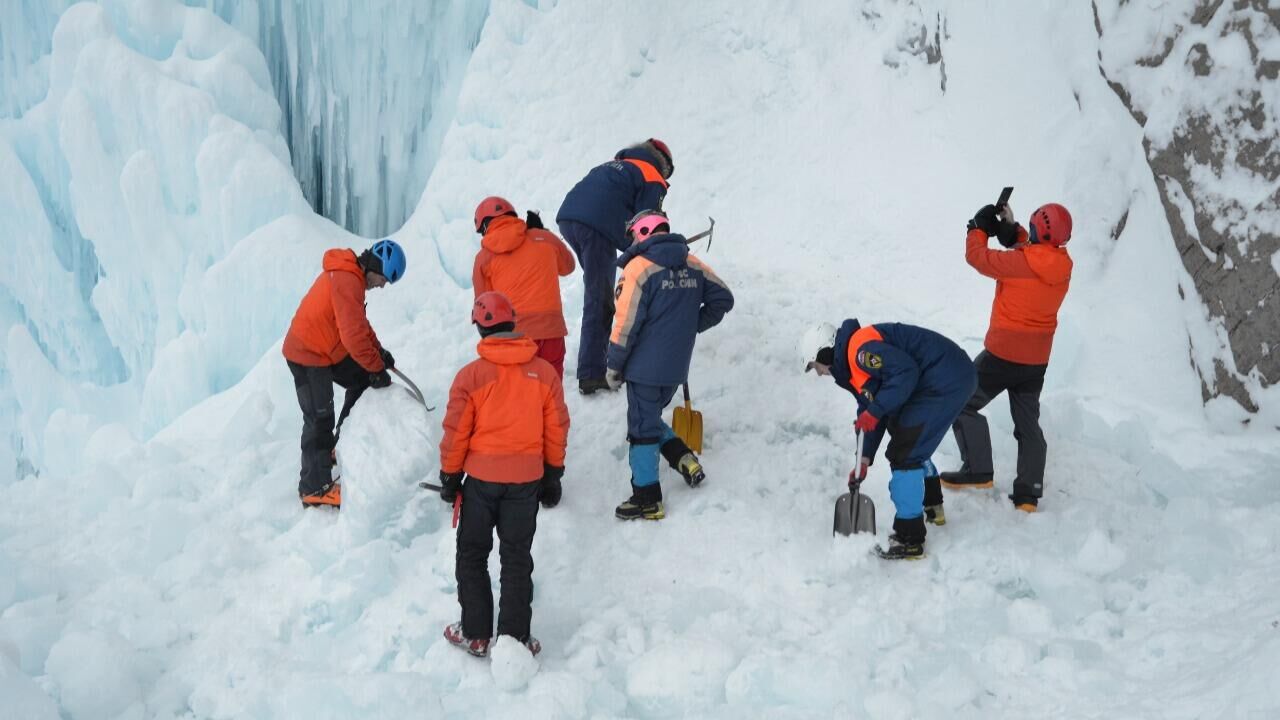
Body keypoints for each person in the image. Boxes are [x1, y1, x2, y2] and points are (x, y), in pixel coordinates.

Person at [439, 291, 570, 658]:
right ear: (514, 323)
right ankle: (514, 639)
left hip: (481, 482)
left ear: (480, 326)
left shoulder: (471, 376)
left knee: (473, 553)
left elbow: (456, 432)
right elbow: (556, 427)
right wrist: (553, 473)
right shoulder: (543, 372)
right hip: (526, 481)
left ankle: (477, 633)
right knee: (516, 556)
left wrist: (450, 477)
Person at [802, 319, 975, 559]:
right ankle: (933, 505)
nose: (820, 373)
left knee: (905, 451)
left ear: (825, 351)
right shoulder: (852, 368)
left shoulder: (861, 353)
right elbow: (872, 409)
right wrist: (863, 458)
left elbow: (906, 372)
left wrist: (874, 411)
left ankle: (910, 538)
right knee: (906, 434)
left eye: (816, 365)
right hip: (943, 377)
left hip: (945, 378)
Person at [942, 201, 1074, 512]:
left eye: (1030, 226)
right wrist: (1011, 229)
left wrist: (977, 228)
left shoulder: (1019, 264)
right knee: (1028, 425)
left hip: (1002, 356)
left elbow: (977, 257)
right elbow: (1035, 252)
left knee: (960, 401)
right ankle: (1028, 495)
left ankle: (978, 470)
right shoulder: (1062, 266)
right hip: (1036, 361)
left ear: (1038, 231)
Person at [606, 210, 733, 520]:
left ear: (641, 234)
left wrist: (614, 364)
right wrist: (688, 327)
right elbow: (723, 299)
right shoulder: (691, 263)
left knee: (642, 428)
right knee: (649, 417)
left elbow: (625, 323)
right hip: (676, 367)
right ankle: (685, 460)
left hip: (643, 367)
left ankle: (647, 497)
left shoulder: (639, 268)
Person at [282, 239, 406, 509]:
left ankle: (338, 444)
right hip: (307, 353)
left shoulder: (352, 279)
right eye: (384, 278)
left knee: (361, 380)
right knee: (319, 415)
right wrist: (375, 367)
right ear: (375, 265)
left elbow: (358, 325)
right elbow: (352, 337)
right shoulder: (347, 279)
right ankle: (313, 487)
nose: (383, 285)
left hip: (327, 350)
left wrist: (378, 351)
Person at [556, 139, 674, 394]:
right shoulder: (651, 173)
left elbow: (619, 218)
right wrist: (665, 250)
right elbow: (648, 221)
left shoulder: (615, 165)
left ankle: (602, 357)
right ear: (663, 164)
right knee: (600, 299)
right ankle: (591, 373)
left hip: (570, 219)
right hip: (597, 227)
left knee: (600, 292)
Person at [472, 196, 576, 378]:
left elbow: (484, 306)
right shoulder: (544, 238)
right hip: (551, 331)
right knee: (551, 392)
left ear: (486, 226)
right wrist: (542, 233)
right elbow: (568, 267)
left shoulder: (484, 258)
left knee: (520, 395)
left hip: (513, 336)